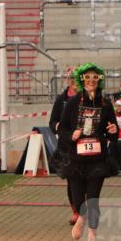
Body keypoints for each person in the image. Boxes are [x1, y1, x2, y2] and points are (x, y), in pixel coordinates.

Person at [56, 63, 118, 241]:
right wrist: (71, 136)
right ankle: (81, 216)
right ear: (81, 80)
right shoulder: (73, 103)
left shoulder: (106, 104)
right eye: (87, 78)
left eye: (95, 78)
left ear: (100, 80)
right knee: (78, 199)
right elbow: (63, 129)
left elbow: (113, 132)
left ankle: (92, 237)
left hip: (97, 160)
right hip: (76, 159)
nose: (91, 81)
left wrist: (114, 131)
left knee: (93, 199)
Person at [49, 67, 79, 224]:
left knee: (88, 180)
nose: (74, 81)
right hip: (67, 146)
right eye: (71, 78)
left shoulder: (88, 98)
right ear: (68, 80)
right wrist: (59, 127)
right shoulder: (61, 100)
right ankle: (76, 211)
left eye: (77, 78)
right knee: (71, 180)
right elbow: (52, 122)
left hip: (86, 146)